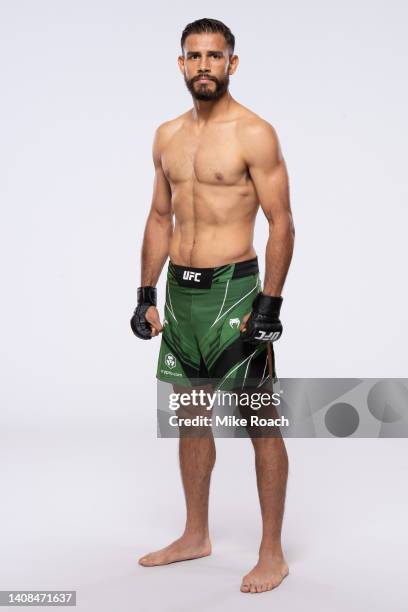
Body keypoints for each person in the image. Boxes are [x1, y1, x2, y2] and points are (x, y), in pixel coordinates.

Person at [131, 17, 295, 594]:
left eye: (215, 55)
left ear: (233, 62)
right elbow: (158, 217)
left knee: (258, 421)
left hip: (236, 291)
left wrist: (270, 303)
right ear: (181, 63)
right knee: (191, 418)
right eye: (194, 56)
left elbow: (281, 223)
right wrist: (145, 293)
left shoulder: (255, 133)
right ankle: (195, 534)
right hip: (181, 294)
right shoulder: (167, 135)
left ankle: (271, 552)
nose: (205, 65)